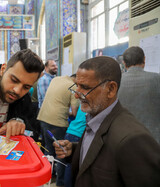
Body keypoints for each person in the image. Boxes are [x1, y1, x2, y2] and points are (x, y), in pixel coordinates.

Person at [54, 56, 160, 187]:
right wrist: (74, 150)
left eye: (85, 87)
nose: (76, 94)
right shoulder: (94, 117)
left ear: (110, 89)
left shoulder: (133, 139)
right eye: (77, 86)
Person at [37, 75, 79, 187]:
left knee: (48, 151)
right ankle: (59, 183)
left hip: (43, 118)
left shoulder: (56, 79)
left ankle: (45, 180)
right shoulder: (74, 86)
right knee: (60, 154)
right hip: (57, 122)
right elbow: (74, 113)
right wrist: (67, 111)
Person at [118, 46, 160, 143]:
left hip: (125, 141)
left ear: (124, 63)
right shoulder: (157, 79)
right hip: (154, 142)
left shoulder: (116, 83)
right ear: (144, 59)